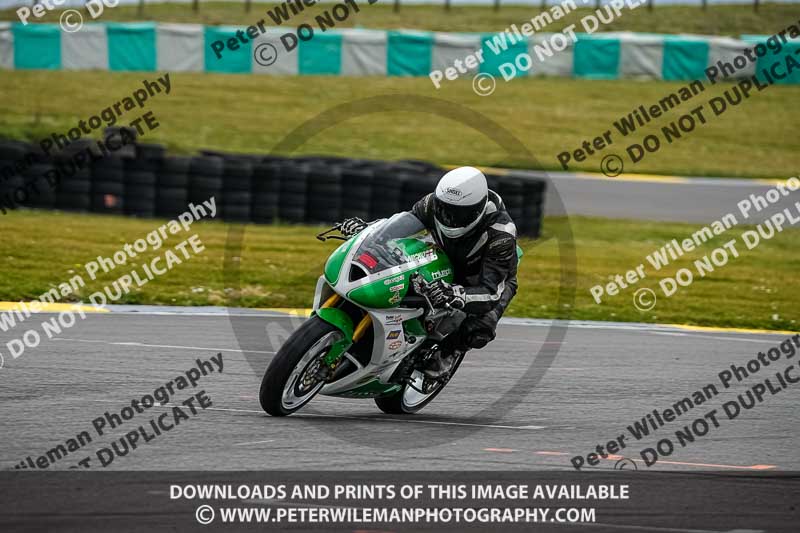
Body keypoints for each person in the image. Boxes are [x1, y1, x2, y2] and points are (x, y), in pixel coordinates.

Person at [339, 166, 519, 378]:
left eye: (459, 214)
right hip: (442, 255)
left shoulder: (501, 235)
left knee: (481, 326)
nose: (450, 218)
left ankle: (448, 353)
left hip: (482, 278)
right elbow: (404, 222)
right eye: (445, 210)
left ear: (478, 210)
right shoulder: (432, 203)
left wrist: (458, 294)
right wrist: (369, 233)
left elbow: (491, 293)